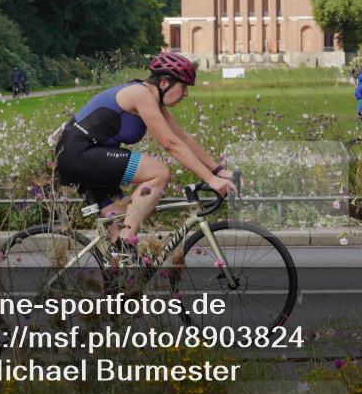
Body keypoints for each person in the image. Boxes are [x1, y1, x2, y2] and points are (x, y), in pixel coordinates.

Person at [53, 52, 238, 260]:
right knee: (158, 173)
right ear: (165, 82)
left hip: (84, 157)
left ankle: (120, 277)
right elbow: (170, 144)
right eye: (184, 87)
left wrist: (218, 170)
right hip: (78, 154)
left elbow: (182, 137)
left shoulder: (151, 98)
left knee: (121, 227)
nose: (185, 94)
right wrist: (210, 179)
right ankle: (124, 244)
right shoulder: (140, 95)